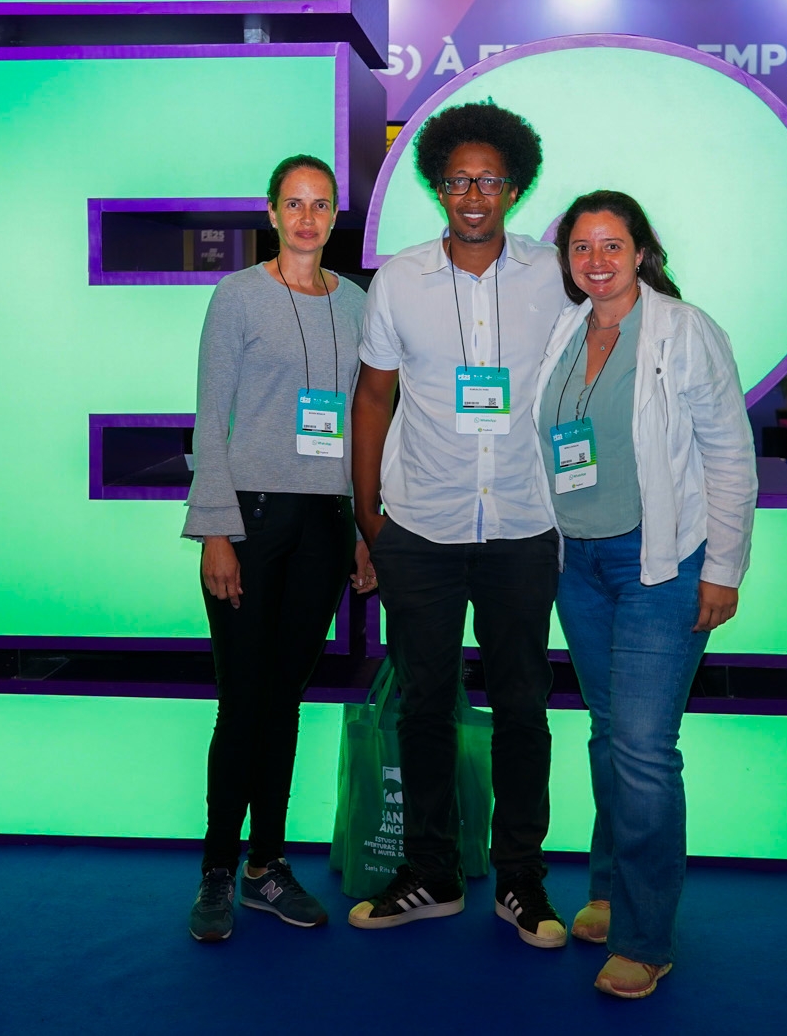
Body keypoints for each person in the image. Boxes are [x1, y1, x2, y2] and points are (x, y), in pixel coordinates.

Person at [347, 101, 577, 945]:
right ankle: (431, 872)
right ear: (436, 186)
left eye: (489, 181)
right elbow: (373, 398)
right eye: (457, 181)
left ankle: (521, 880)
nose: (473, 195)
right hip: (421, 526)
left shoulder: (555, 274)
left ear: (515, 187)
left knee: (522, 706)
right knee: (424, 707)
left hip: (523, 524)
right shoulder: (399, 280)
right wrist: (367, 515)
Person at [534, 191, 758, 1000]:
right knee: (609, 733)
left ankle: (645, 935)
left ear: (640, 252)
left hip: (659, 562)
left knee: (643, 746)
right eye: (581, 247)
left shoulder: (684, 330)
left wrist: (724, 566)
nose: (596, 261)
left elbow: (730, 454)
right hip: (578, 563)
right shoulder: (565, 331)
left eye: (612, 245)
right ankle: (607, 889)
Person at [183, 154, 371, 942]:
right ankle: (217, 869)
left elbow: (362, 423)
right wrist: (216, 530)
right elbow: (209, 416)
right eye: (293, 203)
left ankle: (266, 864)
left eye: (320, 204)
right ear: (271, 212)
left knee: (283, 698)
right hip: (250, 521)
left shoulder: (356, 303)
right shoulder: (237, 295)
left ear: (335, 215)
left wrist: (361, 529)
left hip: (325, 523)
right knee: (243, 699)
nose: (307, 217)